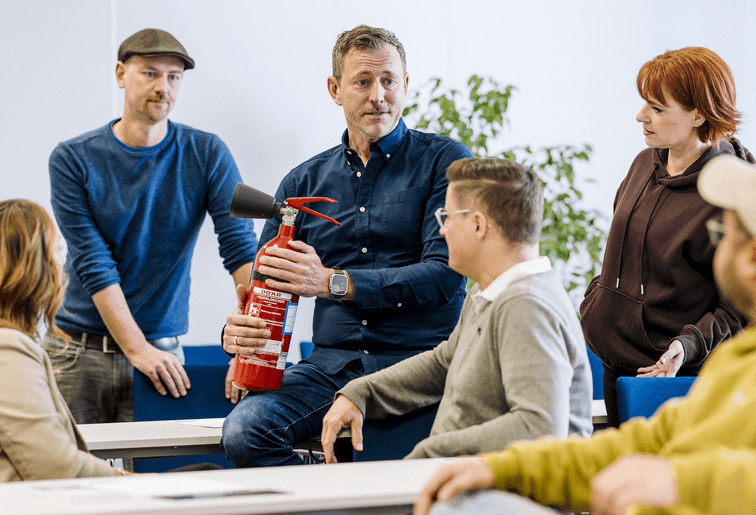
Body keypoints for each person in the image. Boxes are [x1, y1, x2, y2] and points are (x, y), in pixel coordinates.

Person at [413, 157, 756, 515]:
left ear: (754, 258)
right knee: (464, 503)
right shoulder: (742, 361)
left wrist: (682, 482)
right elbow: (639, 445)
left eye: (721, 233)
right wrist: (501, 468)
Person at [220, 25, 471, 467]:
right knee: (245, 433)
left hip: (421, 365)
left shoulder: (445, 161)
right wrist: (236, 338)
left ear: (405, 86)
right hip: (330, 370)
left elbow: (445, 277)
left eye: (389, 81)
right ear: (335, 89)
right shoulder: (302, 183)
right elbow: (266, 291)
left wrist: (334, 282)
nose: (378, 95)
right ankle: (331, 494)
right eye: (363, 81)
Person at [42, 28, 258, 429]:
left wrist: (250, 352)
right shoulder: (73, 159)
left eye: (174, 77)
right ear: (121, 73)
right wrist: (136, 348)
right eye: (150, 74)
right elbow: (94, 263)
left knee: (161, 481)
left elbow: (241, 247)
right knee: (67, 482)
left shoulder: (207, 153)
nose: (164, 87)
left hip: (161, 352)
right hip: (76, 353)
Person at [319, 158, 593, 463]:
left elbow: (539, 426)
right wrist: (362, 392)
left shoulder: (525, 305)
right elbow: (444, 363)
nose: (443, 229)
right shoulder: (489, 291)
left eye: (447, 217)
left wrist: (431, 453)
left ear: (478, 224)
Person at [580, 47, 754, 427]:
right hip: (615, 355)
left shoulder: (731, 191)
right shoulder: (645, 162)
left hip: (670, 373)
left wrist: (686, 345)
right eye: (645, 104)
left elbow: (741, 305)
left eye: (658, 109)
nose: (641, 116)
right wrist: (598, 300)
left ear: (699, 114)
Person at [0, 199, 121, 480]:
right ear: (33, 270)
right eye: (57, 251)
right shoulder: (8, 349)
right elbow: (58, 468)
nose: (62, 264)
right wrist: (129, 480)